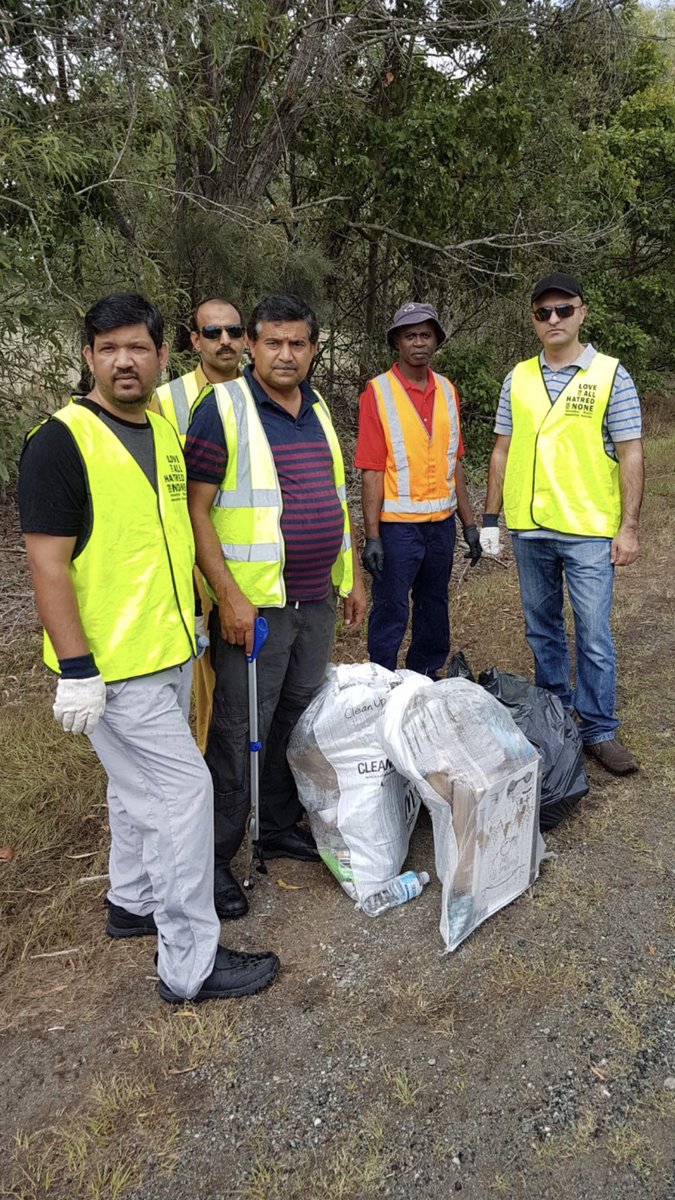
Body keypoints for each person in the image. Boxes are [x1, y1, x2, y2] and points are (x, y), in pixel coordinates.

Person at [18, 292, 279, 1003]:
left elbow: (167, 539)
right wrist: (76, 670)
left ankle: (130, 900)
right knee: (183, 794)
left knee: (136, 792)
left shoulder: (162, 432)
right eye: (108, 349)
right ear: (88, 358)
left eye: (137, 347)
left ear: (163, 357)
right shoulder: (60, 442)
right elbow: (46, 564)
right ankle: (190, 964)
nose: (123, 361)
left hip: (167, 650)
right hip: (112, 669)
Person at [186, 293, 367, 920]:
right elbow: (197, 510)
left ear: (313, 350)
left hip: (315, 598)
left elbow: (334, 500)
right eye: (272, 342)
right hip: (255, 611)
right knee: (239, 732)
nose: (285, 354)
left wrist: (353, 579)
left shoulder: (316, 406)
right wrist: (230, 598)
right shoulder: (225, 408)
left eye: (298, 344)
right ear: (252, 347)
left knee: (294, 718)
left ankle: (280, 825)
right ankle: (212, 862)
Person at [481, 272, 644, 775]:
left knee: (593, 633)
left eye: (563, 310)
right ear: (533, 320)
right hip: (531, 528)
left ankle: (598, 728)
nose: (553, 319)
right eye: (543, 312)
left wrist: (629, 526)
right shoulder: (518, 377)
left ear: (582, 313)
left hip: (590, 528)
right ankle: (556, 718)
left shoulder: (611, 376)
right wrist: (490, 517)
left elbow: (631, 452)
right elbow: (502, 451)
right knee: (543, 631)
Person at [355, 301, 481, 678]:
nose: (419, 342)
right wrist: (373, 537)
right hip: (397, 530)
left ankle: (426, 675)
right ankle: (383, 680)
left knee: (434, 604)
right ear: (397, 341)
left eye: (426, 335)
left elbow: (453, 462)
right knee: (392, 607)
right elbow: (372, 473)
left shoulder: (447, 390)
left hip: (440, 527)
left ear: (436, 340)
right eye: (410, 335)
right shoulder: (377, 393)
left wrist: (470, 525)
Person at [152, 298, 247, 752]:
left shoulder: (257, 395)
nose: (224, 340)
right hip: (186, 563)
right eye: (213, 333)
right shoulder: (167, 400)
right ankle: (205, 769)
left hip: (246, 563)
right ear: (195, 341)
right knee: (199, 680)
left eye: (233, 331)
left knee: (239, 683)